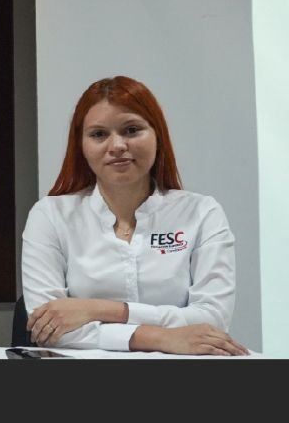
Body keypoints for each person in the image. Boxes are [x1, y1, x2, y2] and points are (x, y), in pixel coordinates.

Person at [21, 76, 248, 355]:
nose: (117, 145)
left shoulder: (202, 213)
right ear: (80, 145)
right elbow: (48, 326)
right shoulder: (50, 215)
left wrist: (97, 309)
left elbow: (213, 319)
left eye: (131, 130)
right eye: (99, 134)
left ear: (157, 136)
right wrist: (161, 338)